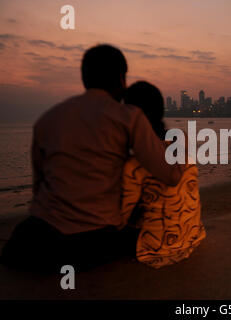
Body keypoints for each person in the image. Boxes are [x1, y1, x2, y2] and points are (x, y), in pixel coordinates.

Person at [0, 45, 183, 273]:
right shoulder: (128, 117)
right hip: (97, 238)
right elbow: (171, 175)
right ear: (121, 80)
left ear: (84, 78)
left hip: (42, 235)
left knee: (20, 242)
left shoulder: (47, 119)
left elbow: (38, 188)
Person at [122, 81, 206, 269]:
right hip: (192, 235)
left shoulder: (134, 165)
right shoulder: (180, 140)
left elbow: (121, 217)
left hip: (156, 247)